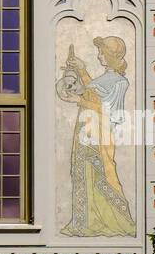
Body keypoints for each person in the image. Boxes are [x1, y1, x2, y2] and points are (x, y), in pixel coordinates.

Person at [56, 36, 135, 236]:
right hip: (85, 133)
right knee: (83, 175)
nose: (99, 55)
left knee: (104, 176)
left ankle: (118, 221)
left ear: (111, 55)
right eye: (99, 51)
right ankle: (82, 223)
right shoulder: (104, 78)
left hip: (100, 136)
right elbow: (93, 93)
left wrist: (79, 100)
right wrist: (81, 69)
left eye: (102, 52)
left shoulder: (120, 82)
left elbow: (107, 110)